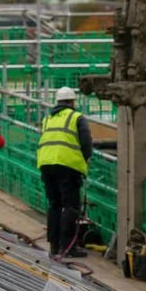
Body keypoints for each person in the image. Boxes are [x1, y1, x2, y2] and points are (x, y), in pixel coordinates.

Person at [36, 86, 93, 259]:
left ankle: (54, 246)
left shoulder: (48, 119)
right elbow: (87, 144)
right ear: (72, 102)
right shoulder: (77, 118)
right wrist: (84, 160)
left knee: (55, 205)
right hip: (67, 166)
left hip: (46, 163)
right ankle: (67, 247)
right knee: (71, 206)